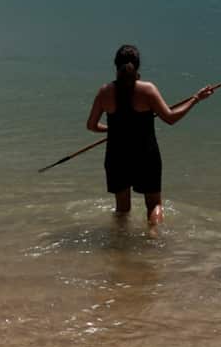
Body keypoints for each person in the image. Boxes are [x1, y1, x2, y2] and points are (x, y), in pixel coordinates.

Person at [85, 44, 214, 226]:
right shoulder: (148, 90)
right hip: (146, 155)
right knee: (154, 204)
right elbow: (170, 118)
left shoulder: (105, 91)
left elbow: (91, 125)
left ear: (116, 65)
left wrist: (112, 130)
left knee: (122, 209)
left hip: (116, 155)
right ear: (137, 66)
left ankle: (120, 247)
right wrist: (195, 99)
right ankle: (153, 239)